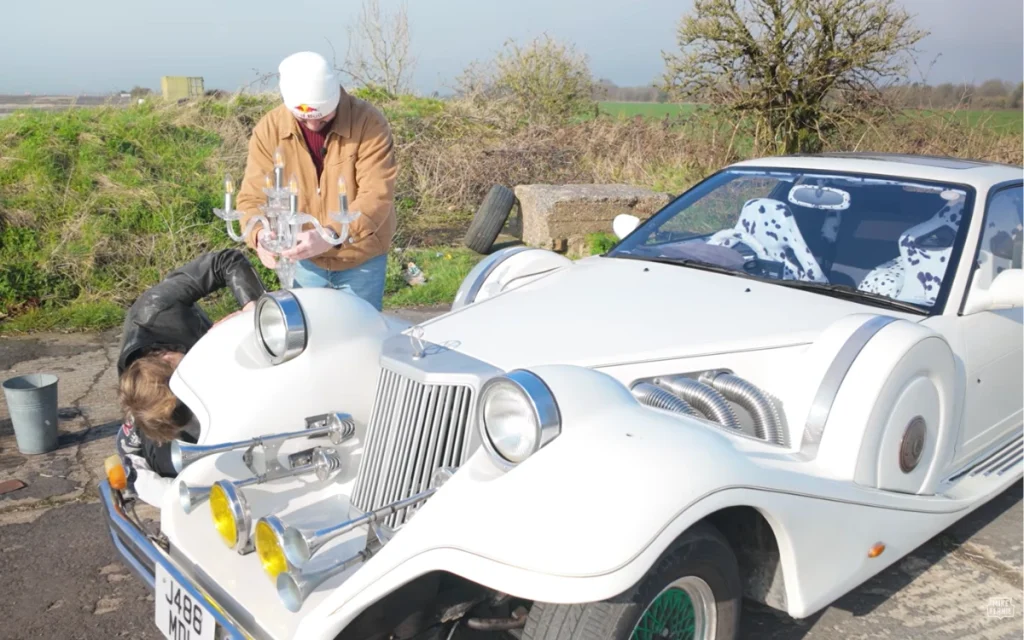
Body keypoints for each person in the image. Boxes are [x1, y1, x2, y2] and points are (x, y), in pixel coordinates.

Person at [235, 50, 398, 311]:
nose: (312, 126)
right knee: (309, 340)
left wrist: (331, 234)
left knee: (358, 338)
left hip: (361, 256)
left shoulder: (369, 123)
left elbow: (376, 195)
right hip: (303, 263)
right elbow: (252, 196)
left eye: (322, 118)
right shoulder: (270, 129)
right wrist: (258, 234)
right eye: (303, 118)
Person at [114, 249, 265, 506]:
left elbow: (225, 261)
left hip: (222, 362)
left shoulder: (157, 306)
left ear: (166, 358)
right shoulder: (137, 389)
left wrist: (252, 309)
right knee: (173, 461)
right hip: (165, 413)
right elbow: (131, 450)